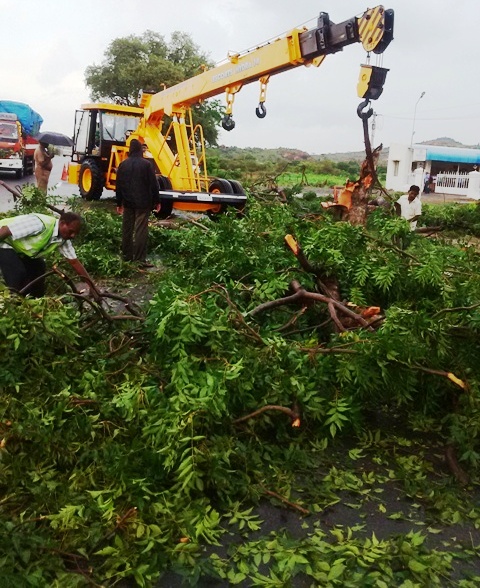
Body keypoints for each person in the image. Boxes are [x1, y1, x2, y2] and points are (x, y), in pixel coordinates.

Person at [0, 211, 100, 298]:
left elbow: (74, 262)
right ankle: (14, 302)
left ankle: (36, 302)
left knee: (39, 267)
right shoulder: (39, 224)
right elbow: (5, 230)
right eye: (71, 231)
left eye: (75, 234)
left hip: (19, 250)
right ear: (62, 223)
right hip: (3, 240)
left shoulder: (63, 240)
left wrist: (92, 287)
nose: (73, 236)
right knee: (17, 273)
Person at [115, 139, 159, 267]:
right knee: (141, 230)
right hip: (143, 203)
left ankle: (127, 257)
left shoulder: (123, 165)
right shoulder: (146, 165)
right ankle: (140, 260)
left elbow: (119, 186)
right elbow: (153, 184)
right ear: (140, 150)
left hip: (128, 202)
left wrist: (119, 203)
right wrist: (157, 201)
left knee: (127, 229)